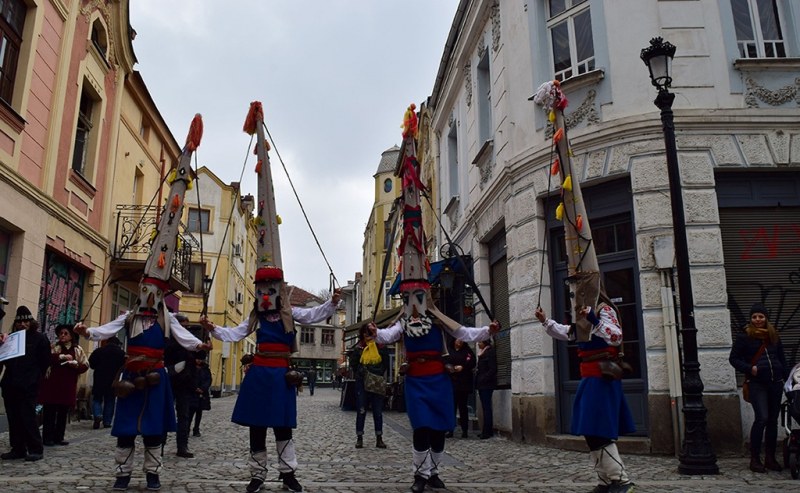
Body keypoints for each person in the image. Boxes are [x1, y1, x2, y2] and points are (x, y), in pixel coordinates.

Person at [200, 282, 341, 493]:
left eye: (270, 291)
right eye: (261, 292)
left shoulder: (290, 312)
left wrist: (332, 302)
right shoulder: (256, 315)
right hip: (259, 375)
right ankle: (257, 475)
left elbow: (313, 314)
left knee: (282, 427)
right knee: (257, 427)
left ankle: (288, 475)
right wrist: (213, 329)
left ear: (279, 293)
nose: (265, 296)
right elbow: (237, 332)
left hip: (281, 376)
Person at [368, 290, 499, 493]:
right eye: (408, 300)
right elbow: (387, 336)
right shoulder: (402, 325)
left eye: (417, 299)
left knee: (438, 428)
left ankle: (433, 473)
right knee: (421, 427)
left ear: (426, 302)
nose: (412, 304)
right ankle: (420, 474)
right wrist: (376, 332)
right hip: (416, 380)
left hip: (438, 380)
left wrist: (487, 331)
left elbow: (464, 332)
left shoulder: (438, 322)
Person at [74, 299, 210, 492]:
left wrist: (199, 346)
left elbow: (184, 337)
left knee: (153, 428)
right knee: (125, 429)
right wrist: (88, 332)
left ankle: (153, 474)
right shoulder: (129, 317)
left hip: (156, 377)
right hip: (132, 375)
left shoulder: (167, 318)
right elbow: (108, 329)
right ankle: (122, 474)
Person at [536, 296, 636, 493]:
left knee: (599, 430)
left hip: (603, 377)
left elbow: (616, 336)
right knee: (590, 430)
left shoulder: (603, 309)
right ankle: (605, 481)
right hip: (589, 378)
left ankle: (621, 480)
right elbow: (569, 333)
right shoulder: (581, 312)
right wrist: (545, 321)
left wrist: (593, 318)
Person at [729, 303, 788, 473]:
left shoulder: (774, 336)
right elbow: (733, 359)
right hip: (757, 384)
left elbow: (782, 360)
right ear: (751, 318)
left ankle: (770, 458)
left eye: (761, 316)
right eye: (754, 317)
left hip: (775, 383)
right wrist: (749, 369)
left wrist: (789, 379)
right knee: (761, 418)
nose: (757, 320)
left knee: (772, 421)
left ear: (766, 318)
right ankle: (755, 459)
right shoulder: (744, 337)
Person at [0, 306, 51, 462]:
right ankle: (18, 448)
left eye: (26, 321)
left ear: (31, 322)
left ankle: (35, 448)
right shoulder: (11, 338)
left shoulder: (40, 338)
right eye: (19, 322)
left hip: (29, 385)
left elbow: (45, 362)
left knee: (28, 417)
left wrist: (34, 378)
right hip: (10, 384)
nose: (22, 325)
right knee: (13, 418)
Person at [38, 324, 89, 446]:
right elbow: (46, 358)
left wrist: (76, 366)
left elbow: (85, 365)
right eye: (61, 333)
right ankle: (47, 438)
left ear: (71, 336)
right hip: (52, 384)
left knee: (62, 412)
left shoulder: (78, 349)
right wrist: (61, 357)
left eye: (65, 333)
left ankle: (59, 437)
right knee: (49, 412)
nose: (62, 336)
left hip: (68, 385)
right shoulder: (54, 347)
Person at [348, 324, 390, 449]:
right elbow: (353, 364)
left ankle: (379, 438)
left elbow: (385, 364)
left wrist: (375, 373)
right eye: (365, 334)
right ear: (362, 335)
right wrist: (362, 373)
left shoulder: (381, 347)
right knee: (361, 410)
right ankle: (359, 438)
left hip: (376, 383)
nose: (368, 336)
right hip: (362, 383)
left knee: (378, 412)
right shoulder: (359, 349)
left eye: (370, 334)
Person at [164, 313, 197, 459]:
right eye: (182, 326)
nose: (185, 329)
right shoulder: (168, 339)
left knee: (184, 416)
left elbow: (196, 358)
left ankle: (182, 446)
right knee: (165, 413)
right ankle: (160, 444)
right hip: (168, 380)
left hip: (184, 383)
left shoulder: (189, 340)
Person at [89, 336, 126, 429]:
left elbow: (91, 363)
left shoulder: (99, 351)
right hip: (113, 379)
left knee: (97, 399)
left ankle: (97, 415)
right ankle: (107, 422)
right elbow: (124, 366)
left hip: (99, 379)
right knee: (110, 400)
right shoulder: (121, 353)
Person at [444, 338, 475, 438]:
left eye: (462, 340)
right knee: (451, 408)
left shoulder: (467, 351)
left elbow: (472, 362)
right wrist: (450, 368)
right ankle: (450, 429)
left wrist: (463, 367)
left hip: (463, 384)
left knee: (463, 408)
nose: (460, 342)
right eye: (458, 340)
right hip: (451, 383)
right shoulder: (449, 351)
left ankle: (464, 430)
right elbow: (443, 362)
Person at [475, 338, 497, 439]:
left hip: (486, 384)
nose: (478, 344)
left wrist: (483, 379)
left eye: (480, 342)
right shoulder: (482, 353)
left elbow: (493, 369)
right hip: (482, 384)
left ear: (485, 343)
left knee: (487, 408)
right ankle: (485, 430)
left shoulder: (490, 352)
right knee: (485, 408)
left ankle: (487, 431)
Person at [188, 350, 212, 437]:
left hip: (202, 394)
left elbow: (208, 380)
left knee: (199, 412)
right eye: (197, 359)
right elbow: (189, 379)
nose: (199, 361)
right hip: (192, 393)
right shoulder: (191, 368)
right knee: (190, 412)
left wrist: (203, 388)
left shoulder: (205, 368)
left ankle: (196, 429)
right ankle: (187, 429)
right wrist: (195, 388)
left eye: (200, 359)